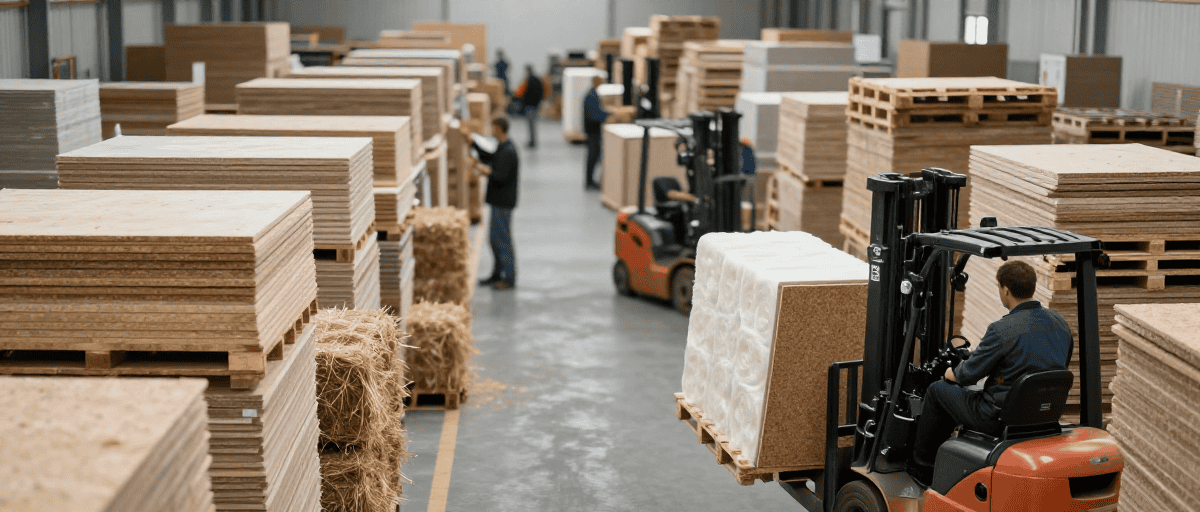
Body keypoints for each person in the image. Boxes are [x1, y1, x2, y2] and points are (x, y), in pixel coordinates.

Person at [908, 260, 1073, 486]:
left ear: (1005, 289)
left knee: (937, 391)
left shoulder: (1001, 330)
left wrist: (948, 372)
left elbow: (966, 375)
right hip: (1044, 415)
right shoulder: (1060, 323)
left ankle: (923, 470)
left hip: (998, 418)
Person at [471, 117, 520, 290]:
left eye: (493, 128)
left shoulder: (509, 151)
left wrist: (486, 171)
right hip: (497, 201)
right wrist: (472, 143)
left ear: (499, 128)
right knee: (493, 239)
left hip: (503, 203)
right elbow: (490, 156)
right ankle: (497, 273)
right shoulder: (502, 147)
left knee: (502, 239)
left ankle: (509, 277)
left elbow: (501, 176)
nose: (491, 131)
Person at [582, 75, 609, 190]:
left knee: (594, 156)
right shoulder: (591, 96)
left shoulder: (593, 94)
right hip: (593, 131)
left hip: (593, 130)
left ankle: (590, 180)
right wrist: (607, 115)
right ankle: (589, 181)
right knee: (593, 156)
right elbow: (594, 114)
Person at [520, 65, 544, 149]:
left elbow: (526, 93)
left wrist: (525, 103)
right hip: (535, 106)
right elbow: (541, 92)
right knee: (532, 125)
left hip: (530, 106)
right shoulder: (537, 80)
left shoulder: (529, 80)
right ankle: (532, 141)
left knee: (531, 125)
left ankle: (532, 142)